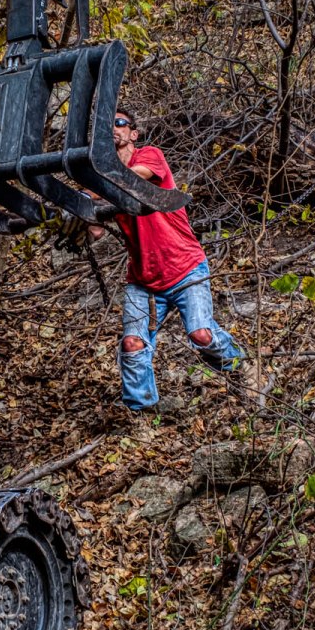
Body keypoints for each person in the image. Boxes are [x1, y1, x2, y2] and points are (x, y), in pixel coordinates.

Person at [108, 109, 244, 413]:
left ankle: (240, 365)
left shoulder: (149, 156)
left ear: (133, 133)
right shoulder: (103, 180)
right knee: (132, 344)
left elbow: (136, 177)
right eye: (107, 124)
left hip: (185, 268)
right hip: (143, 279)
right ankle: (140, 411)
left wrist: (95, 186)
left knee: (201, 334)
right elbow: (92, 227)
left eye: (119, 123)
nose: (113, 127)